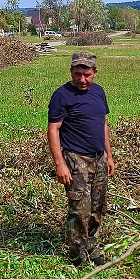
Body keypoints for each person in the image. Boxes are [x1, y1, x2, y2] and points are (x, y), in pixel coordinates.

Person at [48, 51, 115, 266]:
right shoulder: (62, 95)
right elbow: (53, 129)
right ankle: (77, 256)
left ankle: (92, 246)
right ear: (71, 72)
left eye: (87, 74)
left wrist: (109, 156)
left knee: (98, 206)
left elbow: (103, 124)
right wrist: (60, 164)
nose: (82, 79)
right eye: (77, 74)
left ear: (95, 73)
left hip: (99, 158)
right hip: (76, 159)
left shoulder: (98, 92)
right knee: (79, 210)